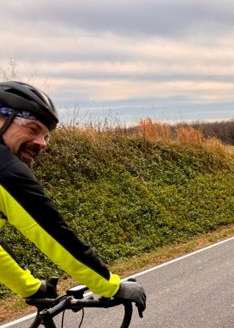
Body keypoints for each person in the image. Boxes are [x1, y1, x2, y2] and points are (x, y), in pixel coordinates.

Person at [0, 81, 145, 308]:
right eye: (33, 129)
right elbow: (53, 233)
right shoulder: (5, 169)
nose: (42, 143)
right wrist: (112, 287)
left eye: (46, 136)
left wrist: (31, 288)